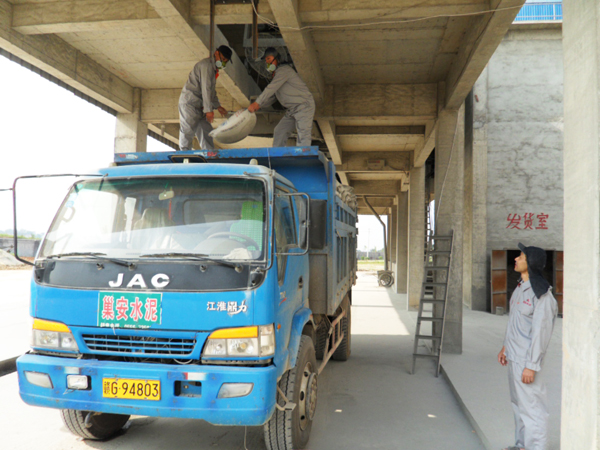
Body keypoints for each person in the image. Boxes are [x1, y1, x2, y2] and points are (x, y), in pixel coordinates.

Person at [498, 243, 558, 450]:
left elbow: (541, 334)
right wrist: (505, 347)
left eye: (521, 256)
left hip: (526, 360)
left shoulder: (542, 296)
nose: (516, 259)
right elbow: (514, 322)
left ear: (530, 263)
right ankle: (521, 445)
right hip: (514, 357)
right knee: (518, 406)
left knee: (533, 408)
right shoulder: (519, 289)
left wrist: (531, 366)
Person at [247, 47, 315, 147]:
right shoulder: (276, 77)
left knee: (303, 134)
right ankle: (277, 155)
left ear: (277, 59)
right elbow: (272, 98)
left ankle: (303, 156)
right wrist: (258, 106)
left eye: (269, 59)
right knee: (279, 131)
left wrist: (257, 102)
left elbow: (271, 88)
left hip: (304, 106)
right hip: (292, 109)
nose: (267, 62)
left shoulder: (284, 71)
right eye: (266, 60)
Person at [178, 45, 232, 150]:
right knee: (188, 130)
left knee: (206, 130)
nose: (224, 62)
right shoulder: (206, 66)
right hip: (190, 103)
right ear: (216, 53)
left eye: (226, 60)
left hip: (200, 105)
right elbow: (206, 89)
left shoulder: (213, 69)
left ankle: (209, 155)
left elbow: (211, 90)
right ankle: (184, 155)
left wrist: (217, 106)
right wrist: (208, 110)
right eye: (223, 59)